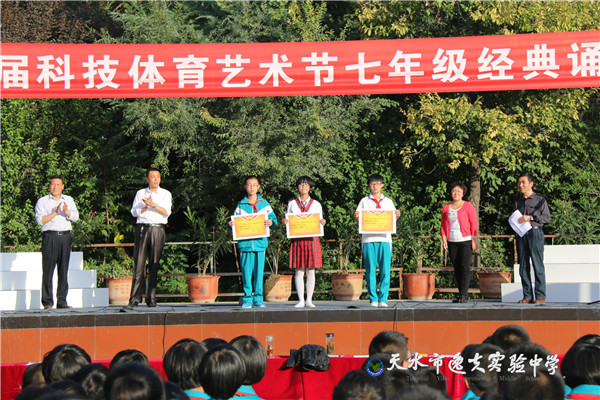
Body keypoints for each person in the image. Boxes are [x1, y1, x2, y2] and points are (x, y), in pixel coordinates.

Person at [228, 176, 277, 309]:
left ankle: (258, 298)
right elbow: (234, 223)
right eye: (249, 185)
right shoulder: (241, 205)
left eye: (254, 185)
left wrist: (271, 222)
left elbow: (273, 219)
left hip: (260, 244)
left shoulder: (264, 204)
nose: (252, 187)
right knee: (246, 273)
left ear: (258, 187)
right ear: (245, 187)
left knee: (259, 273)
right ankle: (247, 298)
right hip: (245, 245)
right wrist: (230, 224)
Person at [127, 168, 172, 309]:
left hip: (157, 229)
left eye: (158, 177)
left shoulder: (165, 193)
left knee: (154, 264)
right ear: (147, 179)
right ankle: (134, 298)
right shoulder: (140, 193)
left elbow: (166, 212)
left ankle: (151, 298)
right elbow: (134, 212)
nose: (156, 179)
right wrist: (146, 207)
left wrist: (153, 205)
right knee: (139, 264)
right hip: (142, 228)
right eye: (153, 177)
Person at [354, 174, 400, 307]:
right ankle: (373, 298)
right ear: (369, 186)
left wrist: (396, 216)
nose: (375, 186)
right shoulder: (364, 201)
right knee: (370, 270)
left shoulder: (388, 202)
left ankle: (383, 298)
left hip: (385, 239)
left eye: (378, 184)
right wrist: (356, 217)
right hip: (368, 239)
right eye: (373, 184)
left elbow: (391, 221)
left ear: (382, 185)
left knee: (385, 269)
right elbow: (360, 221)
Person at [35, 175, 79, 309]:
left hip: (65, 237)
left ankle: (62, 301)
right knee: (48, 270)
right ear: (49, 186)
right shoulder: (43, 201)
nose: (55, 187)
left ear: (62, 187)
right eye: (53, 184)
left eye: (58, 185)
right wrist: (56, 212)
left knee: (63, 269)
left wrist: (66, 211)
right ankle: (47, 302)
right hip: (50, 237)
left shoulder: (68, 200)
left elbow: (76, 217)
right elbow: (40, 220)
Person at [282, 176, 326, 308]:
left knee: (311, 271)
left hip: (312, 239)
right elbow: (289, 221)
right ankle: (301, 300)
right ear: (297, 187)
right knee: (299, 270)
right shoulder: (292, 204)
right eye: (301, 184)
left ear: (310, 188)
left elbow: (320, 221)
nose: (303, 187)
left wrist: (323, 222)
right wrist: (286, 222)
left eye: (306, 185)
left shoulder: (316, 204)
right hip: (298, 239)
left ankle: (309, 300)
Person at [513, 172, 550, 304]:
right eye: (519, 182)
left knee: (537, 265)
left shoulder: (540, 200)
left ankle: (540, 296)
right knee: (523, 267)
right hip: (521, 235)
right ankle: (527, 296)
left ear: (531, 184)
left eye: (523, 182)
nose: (520, 185)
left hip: (535, 233)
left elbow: (547, 217)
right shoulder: (518, 202)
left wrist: (531, 217)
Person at [441, 182, 478, 303]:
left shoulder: (468, 206)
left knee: (465, 267)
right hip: (452, 240)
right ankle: (460, 292)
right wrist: (444, 240)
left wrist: (474, 239)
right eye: (454, 191)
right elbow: (443, 225)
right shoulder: (446, 207)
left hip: (465, 240)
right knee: (456, 268)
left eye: (458, 191)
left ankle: (464, 295)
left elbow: (473, 223)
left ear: (463, 193)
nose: (456, 193)